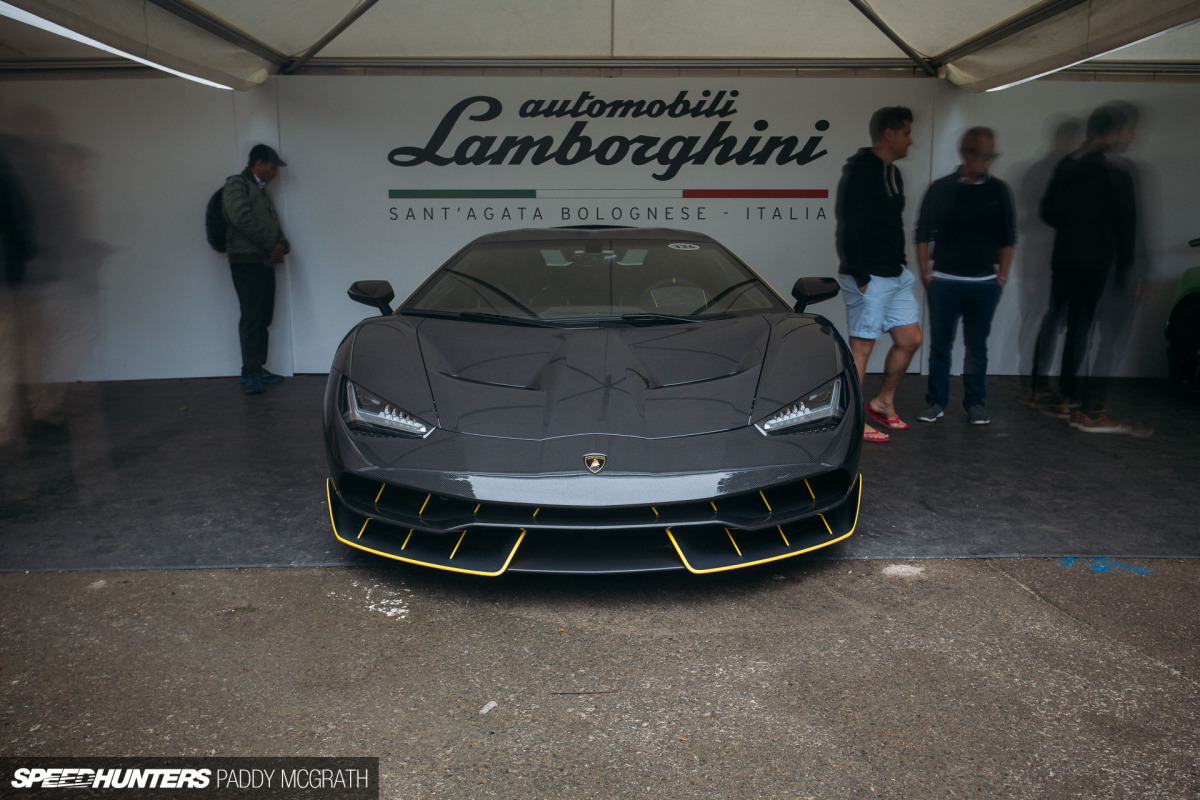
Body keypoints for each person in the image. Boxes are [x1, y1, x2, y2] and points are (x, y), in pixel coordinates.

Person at [1028, 106, 1140, 434]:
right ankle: (1080, 404)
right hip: (1097, 262)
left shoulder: (1067, 168)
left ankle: (1055, 395)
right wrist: (1125, 272)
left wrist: (1073, 225)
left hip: (1065, 257)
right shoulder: (1117, 174)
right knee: (1086, 330)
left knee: (1061, 323)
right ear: (1114, 132)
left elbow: (1047, 212)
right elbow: (1127, 228)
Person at [914, 127, 1016, 425]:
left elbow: (1008, 238)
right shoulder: (942, 188)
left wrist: (1002, 278)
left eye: (991, 156)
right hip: (944, 280)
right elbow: (922, 233)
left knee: (977, 346)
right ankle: (936, 402)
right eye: (984, 155)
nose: (988, 161)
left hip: (984, 283)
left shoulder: (998, 190)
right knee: (941, 346)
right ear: (966, 153)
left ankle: (975, 403)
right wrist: (926, 274)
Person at [835, 106, 923, 443]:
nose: (911, 141)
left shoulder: (893, 173)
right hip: (868, 275)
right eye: (907, 133)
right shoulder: (860, 172)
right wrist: (860, 275)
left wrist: (900, 265)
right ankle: (854, 420)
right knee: (862, 348)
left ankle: (882, 402)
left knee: (910, 339)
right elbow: (848, 226)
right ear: (890, 133)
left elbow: (892, 225)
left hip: (895, 274)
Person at [223, 144, 290, 395]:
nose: (275, 172)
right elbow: (240, 219)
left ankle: (257, 367)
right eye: (273, 167)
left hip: (263, 260)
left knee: (263, 316)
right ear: (258, 163)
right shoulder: (237, 185)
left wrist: (282, 245)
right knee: (252, 315)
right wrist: (270, 244)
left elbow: (272, 225)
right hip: (246, 261)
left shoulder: (259, 190)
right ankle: (250, 372)